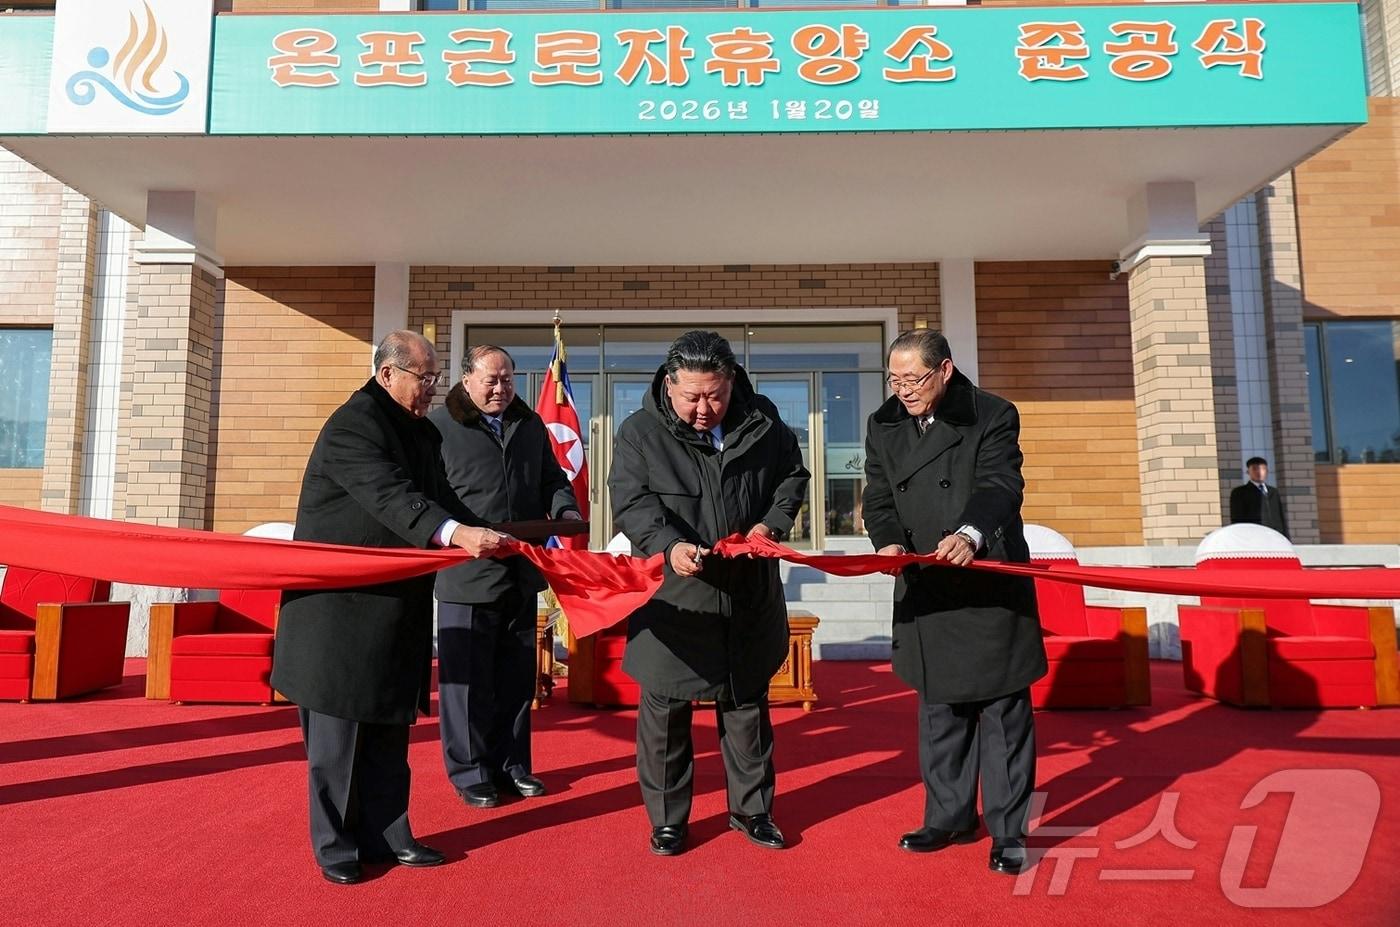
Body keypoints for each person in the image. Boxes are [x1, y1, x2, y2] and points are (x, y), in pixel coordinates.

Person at [271, 330, 510, 886]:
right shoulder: (355, 424)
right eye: (422, 379)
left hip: (392, 607)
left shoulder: (420, 431)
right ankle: (335, 847)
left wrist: (489, 531)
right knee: (337, 745)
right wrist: (453, 534)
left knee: (387, 731)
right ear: (386, 374)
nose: (431, 390)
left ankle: (389, 834)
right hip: (337, 614)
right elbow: (388, 496)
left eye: (434, 380)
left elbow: (437, 496)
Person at [608, 330, 809, 857]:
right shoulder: (639, 433)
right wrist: (667, 544)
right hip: (676, 596)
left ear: (731, 381)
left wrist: (772, 524)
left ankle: (753, 811)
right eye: (692, 397)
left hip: (746, 593)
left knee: (747, 708)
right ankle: (669, 820)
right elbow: (631, 502)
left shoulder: (762, 419)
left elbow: (792, 476)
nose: (704, 408)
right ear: (669, 385)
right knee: (667, 714)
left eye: (714, 395)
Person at [862, 329, 1047, 875]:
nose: (903, 390)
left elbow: (1000, 485)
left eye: (913, 379)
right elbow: (877, 494)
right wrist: (889, 540)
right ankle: (949, 816)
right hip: (927, 580)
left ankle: (1009, 832)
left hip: (985, 578)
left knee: (1002, 714)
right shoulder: (884, 424)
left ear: (944, 370)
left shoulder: (991, 414)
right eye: (893, 380)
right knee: (940, 707)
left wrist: (970, 532)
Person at [430, 345, 581, 809]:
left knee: (516, 679)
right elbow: (423, 496)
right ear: (467, 380)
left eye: (508, 379)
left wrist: (565, 509)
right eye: (491, 380)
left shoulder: (528, 424)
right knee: (468, 684)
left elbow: (552, 480)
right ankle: (471, 772)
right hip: (466, 574)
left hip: (520, 570)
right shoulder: (439, 426)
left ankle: (513, 766)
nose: (501, 389)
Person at [1229, 456, 1289, 538]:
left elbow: (1281, 518)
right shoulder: (1239, 492)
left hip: (1275, 537)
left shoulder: (1273, 492)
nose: (1259, 472)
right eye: (1254, 469)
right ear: (1248, 472)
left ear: (1267, 471)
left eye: (1262, 469)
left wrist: (1286, 538)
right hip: (1254, 538)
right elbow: (1237, 521)